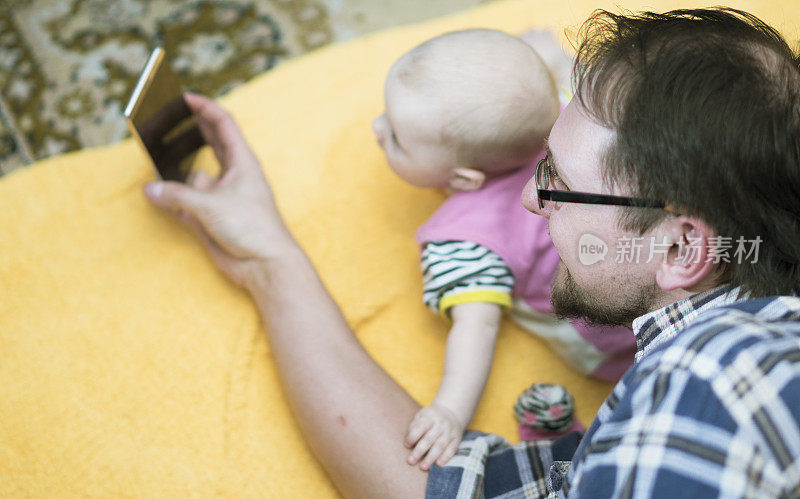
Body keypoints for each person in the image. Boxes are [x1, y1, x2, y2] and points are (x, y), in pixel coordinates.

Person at [143, 6, 800, 498]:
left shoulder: (712, 391)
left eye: (559, 184)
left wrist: (270, 263)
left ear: (685, 246)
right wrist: (270, 260)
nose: (530, 203)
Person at [371, 28, 634, 470]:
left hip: (610, 342)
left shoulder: (464, 238)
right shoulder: (578, 117)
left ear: (463, 180)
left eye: (395, 137)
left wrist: (450, 411)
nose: (375, 128)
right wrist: (549, 56)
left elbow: (477, 328)